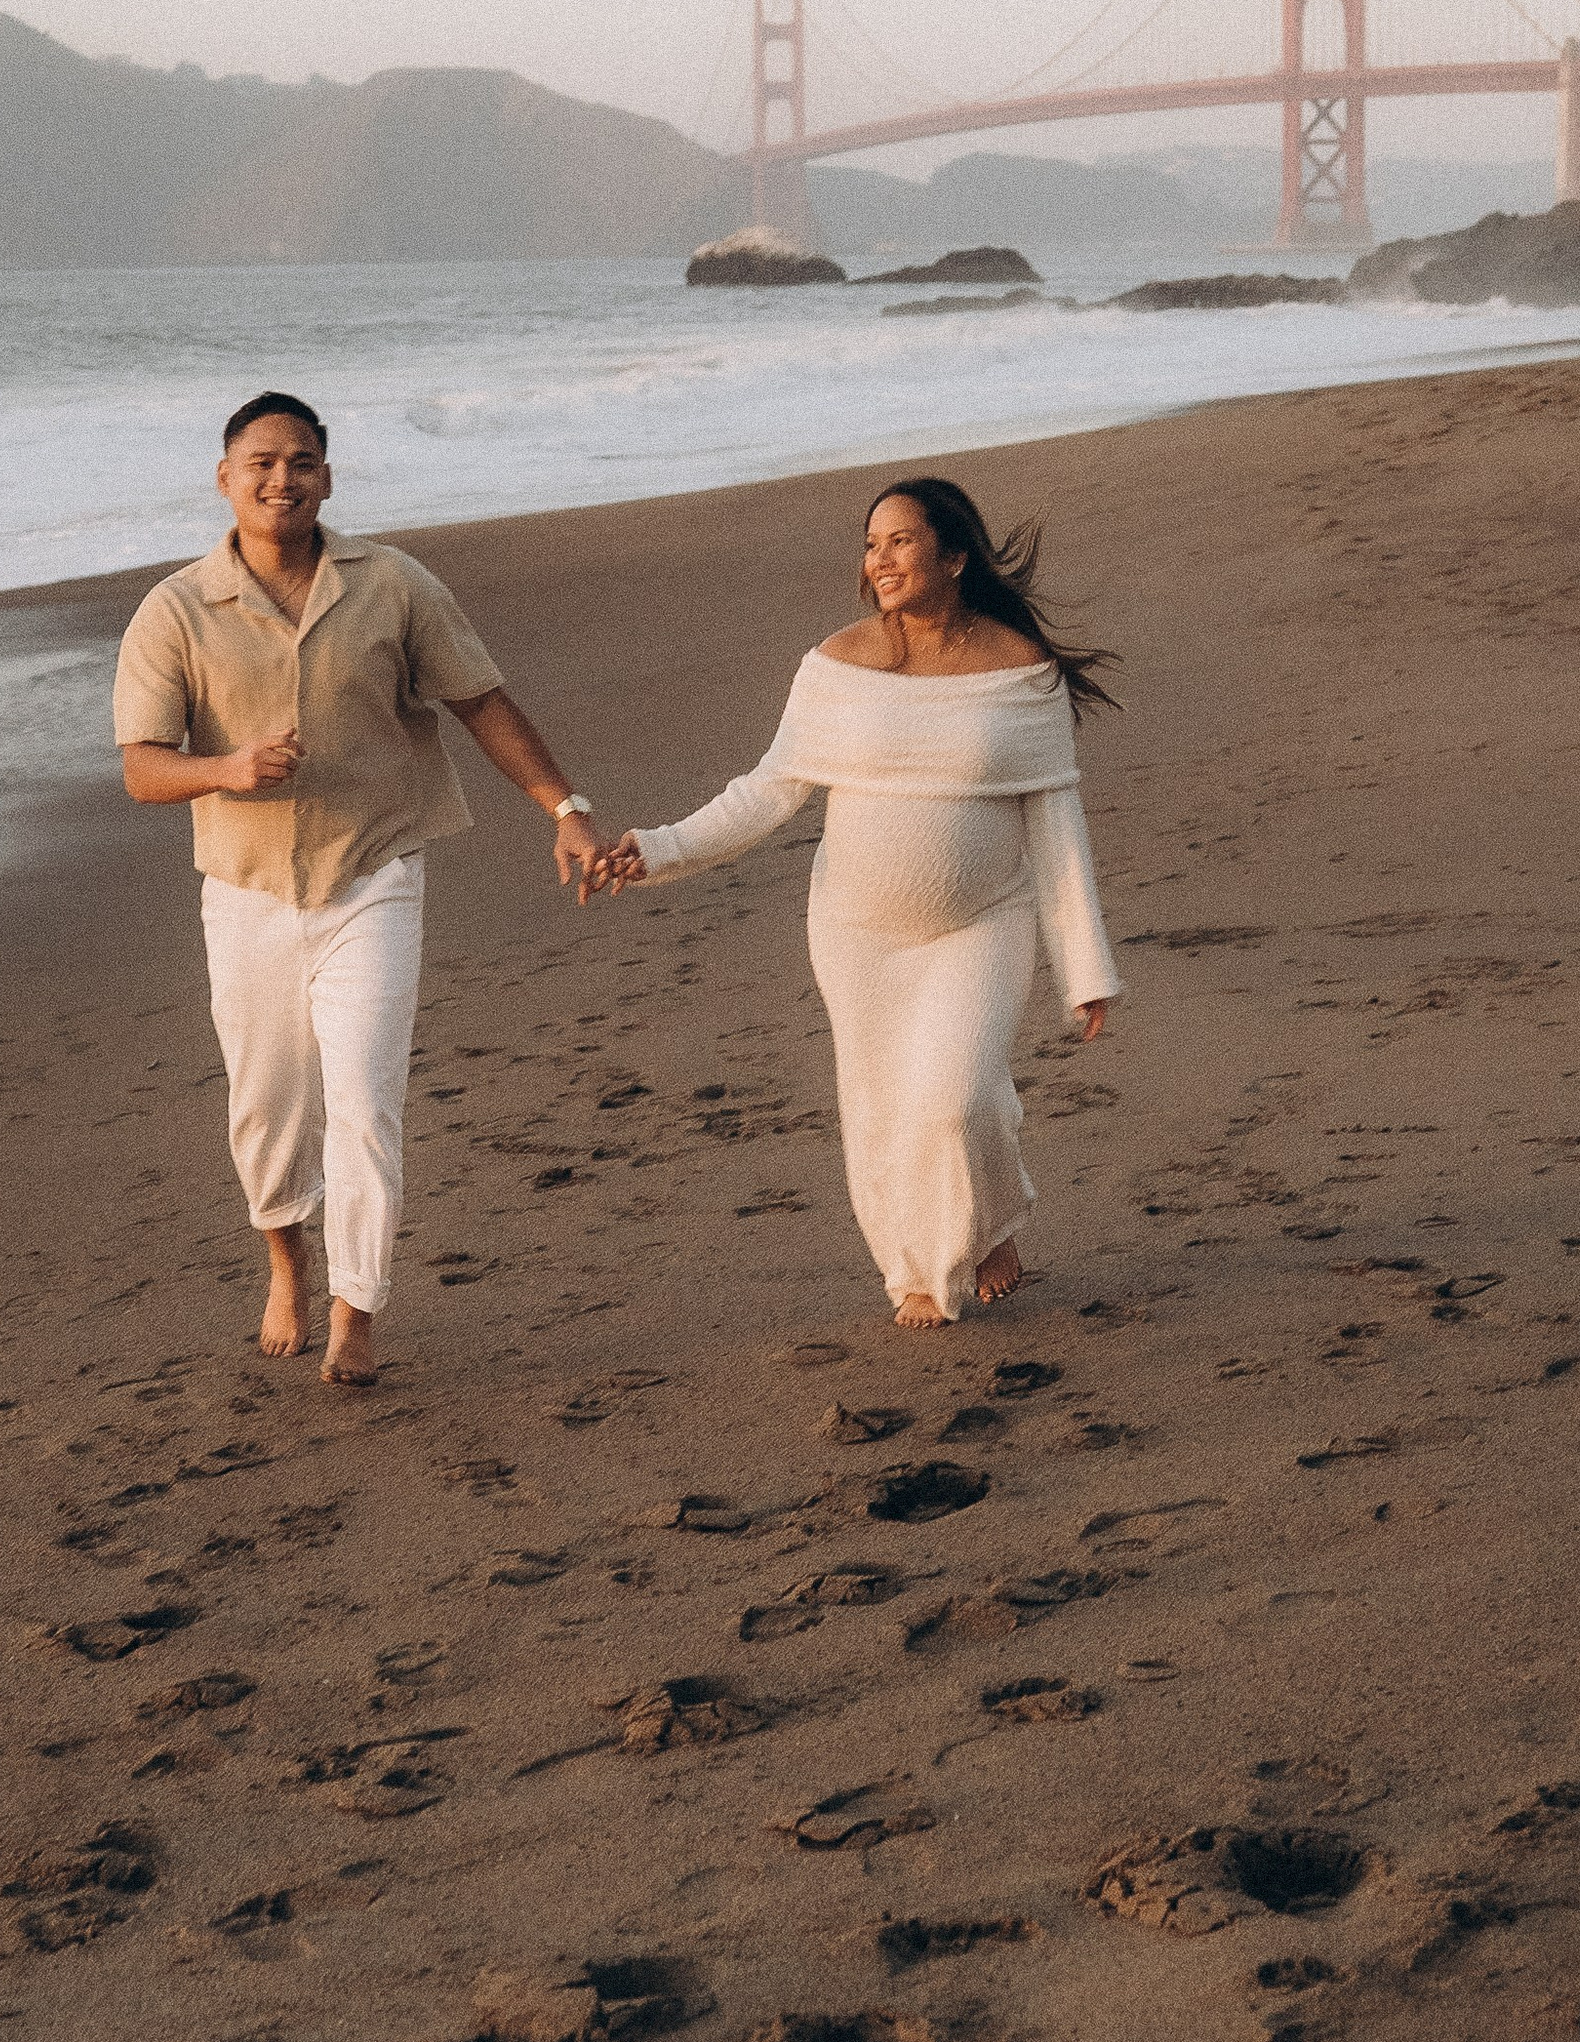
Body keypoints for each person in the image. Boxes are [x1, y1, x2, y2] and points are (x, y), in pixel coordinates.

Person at [114, 391, 605, 1384]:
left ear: (326, 478)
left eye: (300, 462)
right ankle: (286, 1266)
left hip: (372, 872)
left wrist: (566, 808)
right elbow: (141, 767)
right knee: (264, 1109)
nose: (280, 479)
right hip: (247, 890)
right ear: (224, 478)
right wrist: (226, 770)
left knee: (365, 1101)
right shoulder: (174, 608)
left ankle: (357, 1310)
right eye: (260, 463)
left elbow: (481, 702)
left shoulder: (392, 584)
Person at [594, 475, 1119, 1328]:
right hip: (857, 930)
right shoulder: (837, 665)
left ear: (954, 556)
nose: (880, 559)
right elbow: (765, 793)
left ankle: (986, 1220)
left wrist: (1085, 967)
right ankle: (921, 1267)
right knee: (883, 1105)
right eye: (872, 544)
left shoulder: (1021, 671)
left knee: (960, 1098)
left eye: (901, 541)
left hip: (982, 920)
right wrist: (654, 850)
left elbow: (1056, 826)